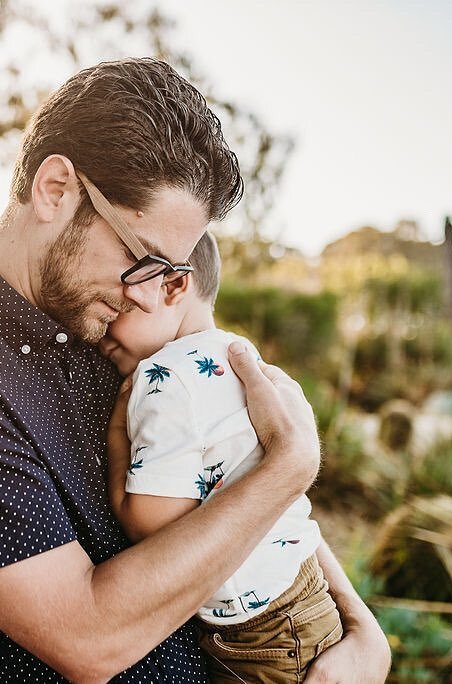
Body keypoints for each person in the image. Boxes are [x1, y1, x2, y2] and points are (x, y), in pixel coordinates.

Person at [0, 57, 390, 682]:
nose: (147, 294)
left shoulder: (115, 327)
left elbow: (237, 463)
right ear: (56, 190)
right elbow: (87, 639)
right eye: (144, 259)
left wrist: (359, 631)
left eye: (169, 275)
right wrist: (291, 466)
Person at [101, 232, 342, 682]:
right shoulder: (238, 352)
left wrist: (117, 438)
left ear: (173, 287)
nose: (102, 335)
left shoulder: (160, 376)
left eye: (116, 308)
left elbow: (148, 523)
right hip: (304, 592)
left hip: (261, 633)